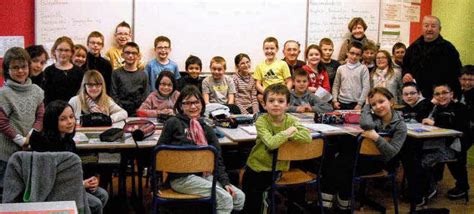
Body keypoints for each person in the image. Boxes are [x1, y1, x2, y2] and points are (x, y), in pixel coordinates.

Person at [157, 85, 245, 213]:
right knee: (225, 199)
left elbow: (217, 158)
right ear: (180, 106)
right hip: (181, 178)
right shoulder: (173, 123)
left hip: (204, 175)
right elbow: (159, 154)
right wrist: (158, 184)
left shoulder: (206, 127)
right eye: (187, 103)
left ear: (202, 104)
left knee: (239, 197)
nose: (193, 107)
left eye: (196, 102)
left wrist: (225, 182)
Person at [321, 87, 406, 212]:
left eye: (381, 101)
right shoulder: (374, 118)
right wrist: (366, 106)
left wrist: (376, 137)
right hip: (364, 159)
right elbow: (366, 125)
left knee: (343, 164)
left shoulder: (400, 125)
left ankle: (331, 202)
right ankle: (341, 202)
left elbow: (391, 153)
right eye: (373, 104)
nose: (378, 106)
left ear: (391, 102)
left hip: (382, 163)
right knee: (339, 159)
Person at [29, 100, 108, 214]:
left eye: (71, 117)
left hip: (71, 184)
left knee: (102, 194)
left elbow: (75, 168)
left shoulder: (68, 141)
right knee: (95, 204)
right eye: (63, 119)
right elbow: (49, 179)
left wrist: (90, 179)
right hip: (54, 190)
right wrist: (80, 184)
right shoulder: (43, 143)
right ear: (52, 121)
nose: (70, 122)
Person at [242, 84, 311, 213]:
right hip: (257, 168)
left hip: (278, 169)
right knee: (252, 202)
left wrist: (289, 134)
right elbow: (271, 143)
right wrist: (288, 133)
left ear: (287, 104)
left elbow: (307, 137)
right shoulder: (261, 121)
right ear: (264, 104)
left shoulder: (291, 120)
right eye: (271, 101)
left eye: (280, 101)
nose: (276, 104)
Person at [0, 47, 44, 190]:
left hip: (29, 148)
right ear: (7, 70)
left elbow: (40, 116)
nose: (20, 71)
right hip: (6, 153)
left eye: (23, 67)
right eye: (15, 68)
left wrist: (30, 136)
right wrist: (20, 140)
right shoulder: (4, 94)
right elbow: (2, 122)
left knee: (26, 189)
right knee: (6, 191)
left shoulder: (36, 91)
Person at [421, 83, 471, 200]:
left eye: (444, 93)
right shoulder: (435, 108)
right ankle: (426, 185)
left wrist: (435, 123)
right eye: (437, 94)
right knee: (415, 154)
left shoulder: (460, 108)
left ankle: (429, 188)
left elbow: (458, 126)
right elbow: (422, 116)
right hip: (436, 144)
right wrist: (430, 104)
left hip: (454, 147)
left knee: (423, 161)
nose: (441, 96)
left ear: (451, 94)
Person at [403, 15, 462, 99]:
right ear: (422, 28)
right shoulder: (413, 47)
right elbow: (405, 66)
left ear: (439, 29)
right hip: (417, 97)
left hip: (441, 97)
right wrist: (406, 73)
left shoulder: (448, 48)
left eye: (433, 26)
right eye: (426, 26)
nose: (429, 29)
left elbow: (456, 73)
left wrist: (454, 95)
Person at [111, 42, 148, 116]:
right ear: (122, 55)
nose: (130, 55)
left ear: (138, 56)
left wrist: (139, 110)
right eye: (127, 53)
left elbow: (145, 95)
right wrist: (121, 110)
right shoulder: (116, 73)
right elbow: (113, 94)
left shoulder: (143, 75)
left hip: (137, 112)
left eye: (134, 53)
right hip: (119, 112)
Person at [43, 36, 84, 105]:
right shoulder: (48, 71)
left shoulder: (79, 71)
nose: (63, 53)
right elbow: (46, 96)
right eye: (60, 50)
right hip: (54, 110)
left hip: (74, 110)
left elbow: (81, 94)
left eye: (67, 50)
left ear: (72, 52)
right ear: (54, 51)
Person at [253, 37, 292, 105]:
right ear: (263, 49)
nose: (269, 51)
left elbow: (289, 81)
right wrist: (266, 93)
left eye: (272, 48)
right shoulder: (259, 66)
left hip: (281, 95)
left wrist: (284, 93)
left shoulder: (282, 64)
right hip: (268, 96)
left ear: (277, 49)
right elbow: (257, 84)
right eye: (266, 48)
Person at [332, 42, 370, 110]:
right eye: (352, 53)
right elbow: (336, 85)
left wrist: (360, 104)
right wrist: (335, 100)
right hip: (341, 103)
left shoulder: (363, 68)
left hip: (356, 104)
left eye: (357, 54)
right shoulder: (341, 68)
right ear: (347, 53)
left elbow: (366, 87)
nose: (354, 56)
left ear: (361, 56)